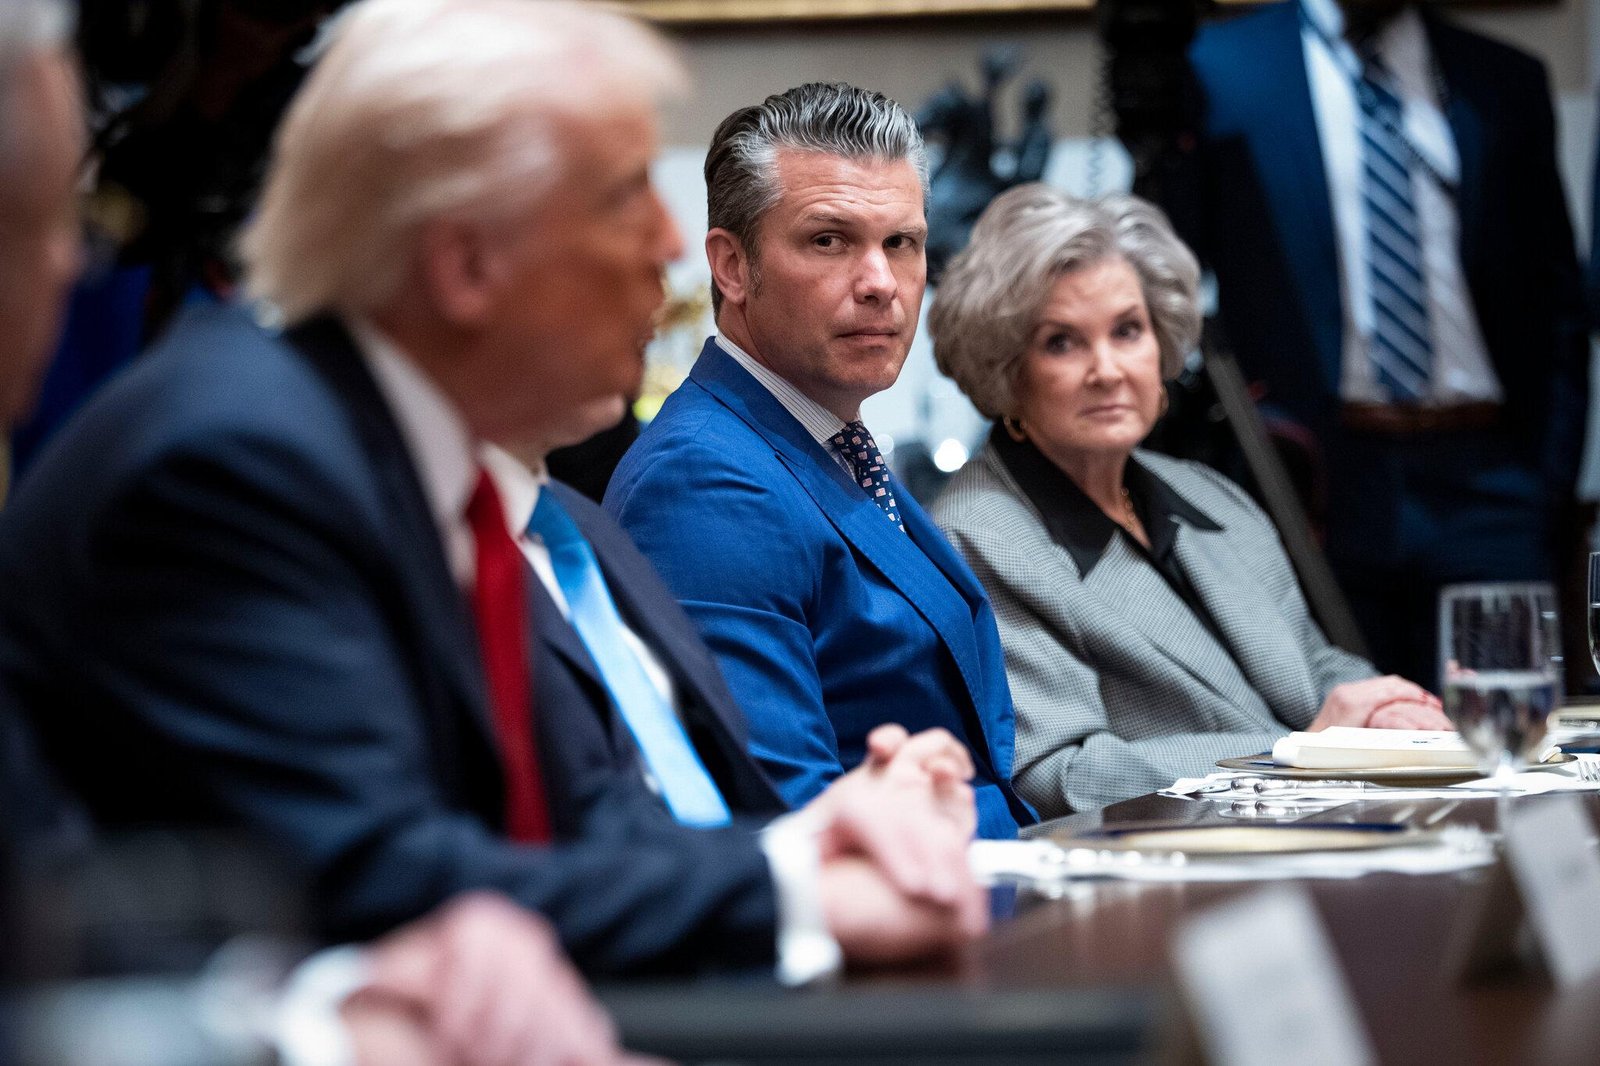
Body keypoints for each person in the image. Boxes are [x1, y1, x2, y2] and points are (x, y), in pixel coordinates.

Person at [0, 0, 985, 989]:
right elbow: (373, 883)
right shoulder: (237, 463)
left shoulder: (423, 467)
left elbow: (590, 825)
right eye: (622, 198)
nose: (669, 246)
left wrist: (806, 844)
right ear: (466, 264)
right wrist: (797, 891)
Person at [928, 185, 1451, 816]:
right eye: (1061, 342)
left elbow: (1313, 666)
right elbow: (1058, 775)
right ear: (1007, 368)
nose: (1108, 370)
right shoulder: (977, 537)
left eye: (1128, 331)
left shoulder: (1208, 495)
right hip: (1162, 862)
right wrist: (1295, 754)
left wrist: (1386, 710)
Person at [605, 82, 1035, 841]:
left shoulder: (825, 437)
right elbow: (787, 818)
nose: (881, 284)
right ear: (731, 267)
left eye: (901, 243)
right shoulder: (703, 483)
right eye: (829, 241)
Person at [1164, 0, 1590, 688]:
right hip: (1323, 486)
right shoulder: (1222, 70)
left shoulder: (1501, 79)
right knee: (1345, 730)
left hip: (1491, 480)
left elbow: (1557, 300)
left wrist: (1550, 479)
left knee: (1509, 733)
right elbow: (1170, 273)